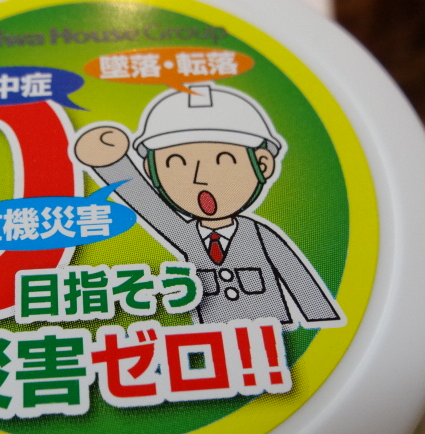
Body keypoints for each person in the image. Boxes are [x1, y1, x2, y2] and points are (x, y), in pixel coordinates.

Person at [74, 83, 344, 327]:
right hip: (214, 339)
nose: (199, 178)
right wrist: (110, 163)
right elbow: (147, 204)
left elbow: (297, 276)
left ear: (262, 164)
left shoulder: (260, 236)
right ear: (151, 171)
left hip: (271, 336)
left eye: (223, 160)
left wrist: (321, 320)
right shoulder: (186, 235)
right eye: (175, 163)